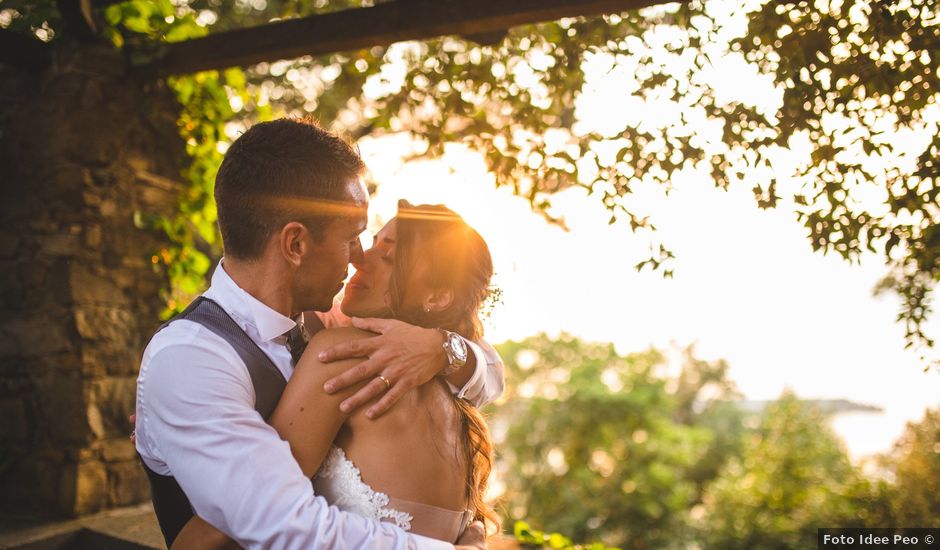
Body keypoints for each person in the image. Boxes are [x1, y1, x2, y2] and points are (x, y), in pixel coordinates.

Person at [134, 118, 503, 549]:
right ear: (295, 245)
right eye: (354, 238)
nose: (361, 257)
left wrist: (443, 348)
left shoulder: (332, 325)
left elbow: (490, 371)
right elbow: (284, 525)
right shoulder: (191, 357)